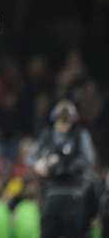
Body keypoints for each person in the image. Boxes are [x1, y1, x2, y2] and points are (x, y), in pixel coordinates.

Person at [25, 99, 96, 238]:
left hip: (74, 193)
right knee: (48, 231)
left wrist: (63, 164)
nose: (64, 124)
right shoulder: (47, 136)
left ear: (72, 121)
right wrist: (39, 166)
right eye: (61, 120)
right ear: (55, 119)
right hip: (52, 192)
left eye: (67, 120)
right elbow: (30, 158)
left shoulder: (80, 135)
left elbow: (88, 161)